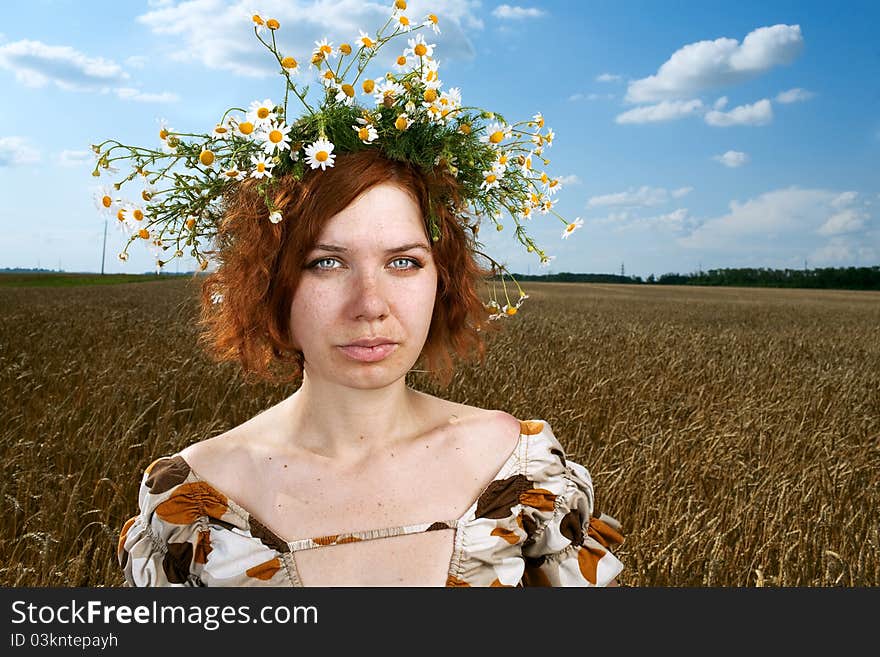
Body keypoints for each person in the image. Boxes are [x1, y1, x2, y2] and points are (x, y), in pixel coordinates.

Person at [108, 5, 624, 587]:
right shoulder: (192, 509)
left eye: (403, 262)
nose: (370, 304)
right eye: (327, 263)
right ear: (270, 286)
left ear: (442, 279)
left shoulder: (525, 477)